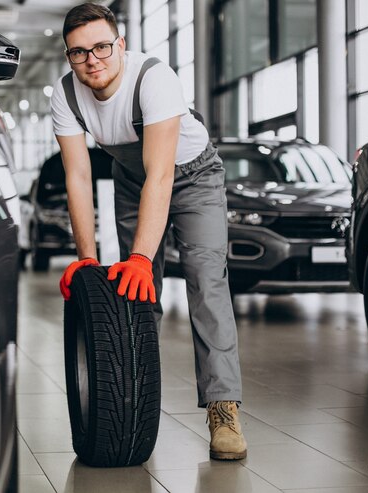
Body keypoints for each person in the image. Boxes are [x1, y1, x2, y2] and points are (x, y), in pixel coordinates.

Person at [52, 2, 246, 460]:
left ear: (120, 44)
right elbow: (77, 177)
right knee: (136, 291)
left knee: (204, 279)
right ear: (69, 57)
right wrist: (85, 257)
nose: (92, 60)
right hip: (131, 179)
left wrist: (141, 255)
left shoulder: (153, 78)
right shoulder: (65, 93)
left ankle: (223, 408)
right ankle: (133, 399)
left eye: (101, 47)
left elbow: (162, 176)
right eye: (79, 53)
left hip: (192, 176)